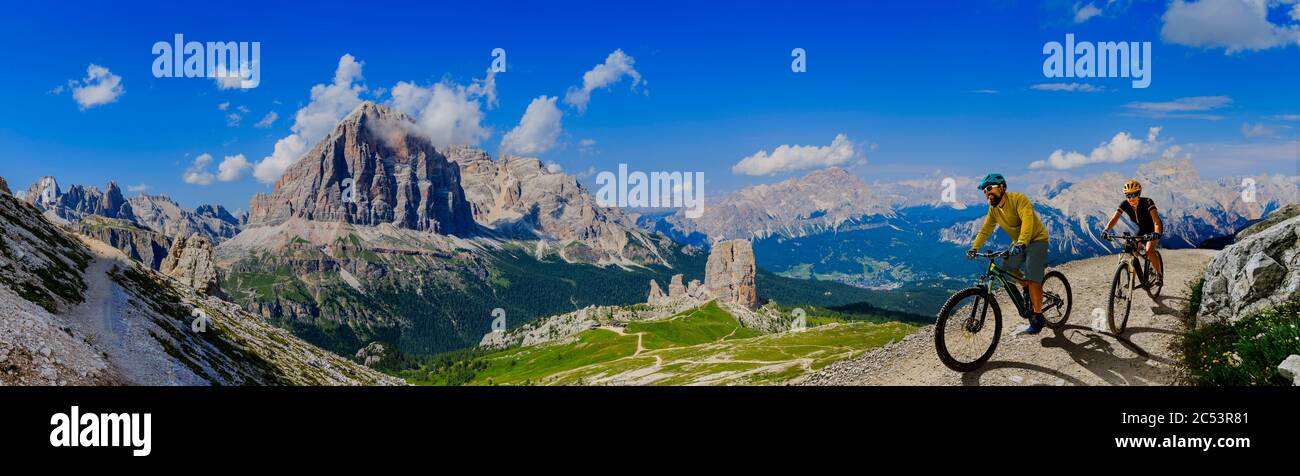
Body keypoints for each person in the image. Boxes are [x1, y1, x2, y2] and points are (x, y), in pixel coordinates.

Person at [966, 173, 1051, 334]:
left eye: (990, 188)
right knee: (1005, 269)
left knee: (1033, 277)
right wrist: (974, 248)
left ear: (1002, 188)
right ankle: (1025, 287)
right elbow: (985, 230)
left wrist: (1022, 242)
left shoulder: (1019, 199)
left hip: (1036, 239)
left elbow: (1027, 221)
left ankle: (1038, 316)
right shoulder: (994, 210)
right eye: (984, 190)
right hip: (1019, 242)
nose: (987, 193)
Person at [1101, 179, 1163, 287]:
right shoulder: (1124, 204)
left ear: (1139, 194)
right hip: (1142, 230)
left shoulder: (1148, 202)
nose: (1131, 198)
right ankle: (1132, 281)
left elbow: (1156, 221)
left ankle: (1159, 274)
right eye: (1128, 195)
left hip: (1154, 229)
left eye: (1133, 194)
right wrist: (1106, 230)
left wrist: (1156, 233)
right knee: (1134, 251)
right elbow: (1114, 219)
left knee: (1149, 250)